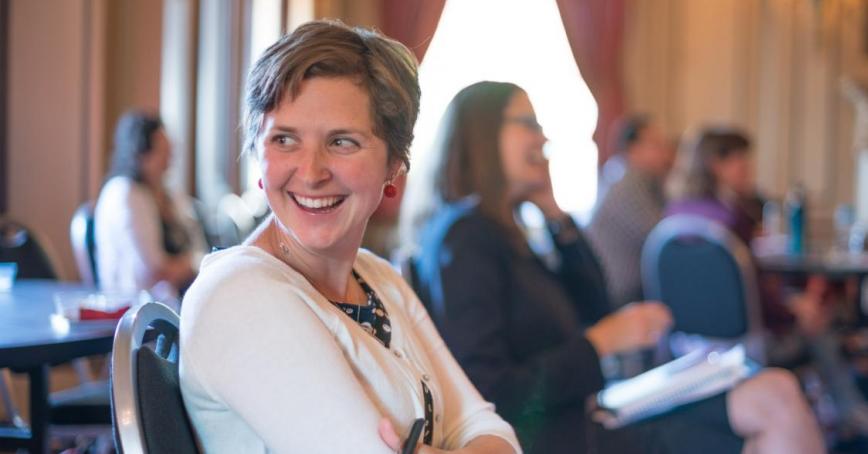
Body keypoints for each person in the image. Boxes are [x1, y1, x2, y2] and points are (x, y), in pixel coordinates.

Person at [401, 81, 825, 454]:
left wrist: (554, 213)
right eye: (527, 122)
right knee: (772, 407)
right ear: (482, 133)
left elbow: (596, 302)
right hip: (554, 436)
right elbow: (492, 391)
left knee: (775, 392)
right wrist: (599, 344)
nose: (542, 135)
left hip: (584, 414)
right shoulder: (466, 238)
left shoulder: (508, 230)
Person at [179, 21, 520, 454]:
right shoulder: (238, 294)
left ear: (394, 164)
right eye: (285, 139)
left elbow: (489, 428)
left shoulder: (378, 277)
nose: (311, 172)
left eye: (342, 141)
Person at [667, 127, 868, 435]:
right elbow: (753, 298)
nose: (749, 171)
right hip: (745, 341)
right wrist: (794, 312)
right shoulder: (729, 219)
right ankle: (849, 410)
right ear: (716, 165)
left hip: (688, 341)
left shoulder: (675, 214)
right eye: (742, 164)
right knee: (819, 322)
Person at [94, 111, 206, 304]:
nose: (168, 162)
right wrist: (197, 263)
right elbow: (154, 271)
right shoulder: (126, 193)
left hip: (170, 300)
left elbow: (196, 242)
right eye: (161, 152)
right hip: (136, 306)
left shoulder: (165, 193)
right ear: (139, 154)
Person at [588, 114, 675, 308]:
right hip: (621, 293)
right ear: (633, 149)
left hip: (626, 288)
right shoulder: (629, 183)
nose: (665, 152)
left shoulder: (627, 176)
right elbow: (660, 237)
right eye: (656, 144)